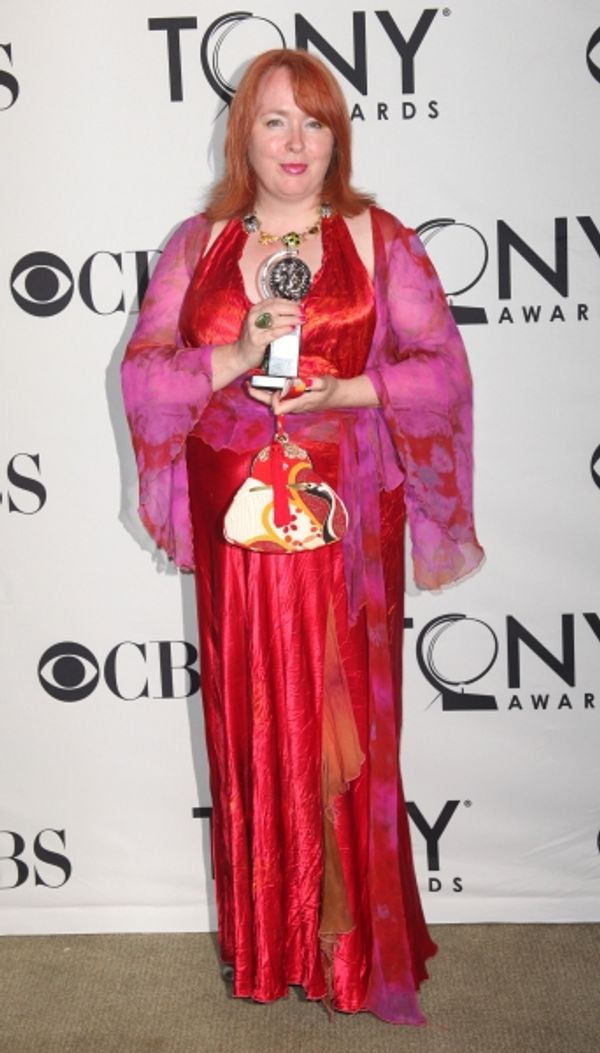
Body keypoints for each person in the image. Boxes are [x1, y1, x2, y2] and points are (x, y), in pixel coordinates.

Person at [121, 48, 484, 1025]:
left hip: (350, 527)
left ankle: (354, 954)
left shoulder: (378, 237)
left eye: (314, 122)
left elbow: (441, 371)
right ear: (244, 133)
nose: (295, 142)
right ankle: (272, 946)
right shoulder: (197, 244)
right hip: (239, 530)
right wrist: (236, 351)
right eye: (275, 120)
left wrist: (350, 388)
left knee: (348, 733)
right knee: (254, 733)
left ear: (339, 138)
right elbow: (148, 377)